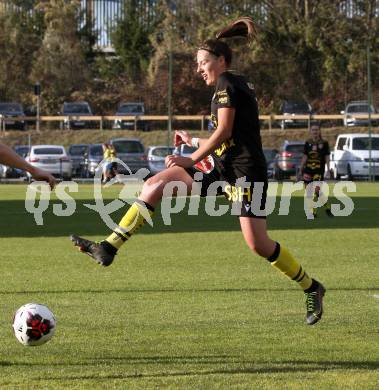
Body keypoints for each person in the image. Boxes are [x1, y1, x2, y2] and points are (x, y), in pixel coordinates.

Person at [71, 17, 325, 325]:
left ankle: (311, 288)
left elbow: (225, 133)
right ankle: (108, 247)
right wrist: (192, 141)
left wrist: (190, 159)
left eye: (202, 62)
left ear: (220, 60)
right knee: (154, 185)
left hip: (246, 175)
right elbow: (226, 137)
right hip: (222, 171)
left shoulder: (227, 84)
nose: (198, 68)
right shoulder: (229, 85)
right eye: (197, 63)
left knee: (258, 243)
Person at [299, 122, 332, 218]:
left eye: (316, 130)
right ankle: (327, 208)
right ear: (310, 131)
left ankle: (314, 213)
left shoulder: (324, 143)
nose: (315, 132)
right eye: (313, 130)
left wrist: (328, 169)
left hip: (319, 171)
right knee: (310, 192)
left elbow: (327, 157)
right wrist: (301, 167)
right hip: (307, 170)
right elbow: (305, 156)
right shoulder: (307, 143)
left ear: (319, 131)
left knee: (316, 190)